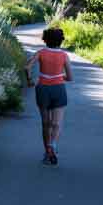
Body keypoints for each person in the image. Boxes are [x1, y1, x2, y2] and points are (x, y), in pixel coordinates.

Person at [26, 28, 73, 166]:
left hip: (42, 90)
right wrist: (59, 76)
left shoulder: (41, 53)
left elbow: (27, 67)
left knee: (45, 124)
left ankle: (47, 153)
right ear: (61, 40)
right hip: (58, 89)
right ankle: (53, 145)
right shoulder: (64, 55)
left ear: (45, 40)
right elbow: (70, 77)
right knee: (56, 124)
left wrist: (29, 81)